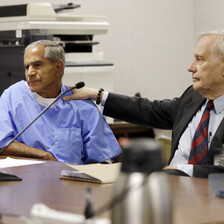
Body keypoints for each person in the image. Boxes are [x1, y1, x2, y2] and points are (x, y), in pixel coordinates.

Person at [63, 30, 224, 177]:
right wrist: (97, 95)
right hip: (171, 190)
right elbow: (151, 110)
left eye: (200, 59)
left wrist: (181, 170)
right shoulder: (193, 96)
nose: (190, 68)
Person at [0, 40, 122, 164]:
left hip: (72, 180)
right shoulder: (13, 96)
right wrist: (43, 156)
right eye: (27, 67)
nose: (30, 73)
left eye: (37, 65)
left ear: (58, 68)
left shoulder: (83, 107)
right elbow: (1, 143)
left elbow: (102, 160)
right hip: (26, 179)